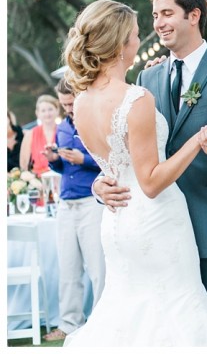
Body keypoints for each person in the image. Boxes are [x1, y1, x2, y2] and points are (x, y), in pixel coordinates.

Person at [93, 0, 207, 346]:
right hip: (160, 228)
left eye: (167, 13)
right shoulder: (147, 77)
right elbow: (127, 148)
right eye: (155, 15)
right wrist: (101, 184)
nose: (158, 23)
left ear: (194, 15)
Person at [62, 0, 207, 346]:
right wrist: (198, 139)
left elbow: (113, 162)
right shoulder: (135, 98)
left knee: (129, 316)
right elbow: (151, 182)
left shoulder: (82, 100)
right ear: (120, 43)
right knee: (176, 314)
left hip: (118, 223)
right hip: (157, 222)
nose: (140, 41)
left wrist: (101, 183)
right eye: (135, 35)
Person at [39, 78, 106, 342]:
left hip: (92, 201)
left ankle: (101, 319)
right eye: (63, 104)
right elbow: (61, 168)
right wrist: (54, 160)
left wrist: (83, 159)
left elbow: (110, 159)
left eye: (70, 103)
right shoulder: (63, 128)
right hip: (66, 202)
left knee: (98, 268)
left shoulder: (94, 120)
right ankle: (69, 323)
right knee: (67, 268)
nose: (67, 108)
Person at [19, 94, 60, 176]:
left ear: (57, 110)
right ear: (37, 113)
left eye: (50, 109)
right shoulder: (30, 134)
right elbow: (23, 165)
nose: (47, 114)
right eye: (43, 111)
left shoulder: (64, 131)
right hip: (38, 181)